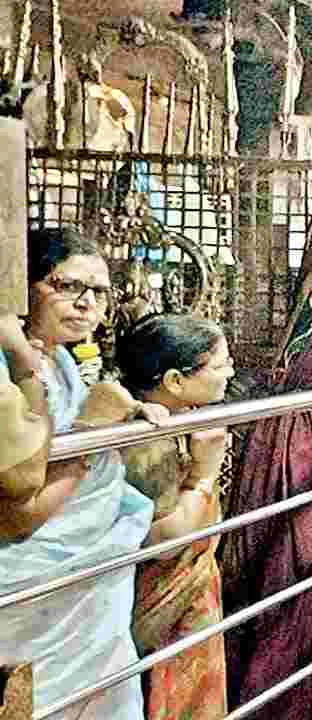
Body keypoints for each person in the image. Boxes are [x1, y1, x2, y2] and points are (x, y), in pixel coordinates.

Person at [0, 226, 154, 719]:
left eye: (100, 293)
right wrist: (94, 429)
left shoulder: (62, 361)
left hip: (87, 577)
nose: (87, 304)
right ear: (25, 288)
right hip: (30, 578)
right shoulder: (8, 366)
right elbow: (19, 517)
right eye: (67, 286)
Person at [100, 314, 233, 720]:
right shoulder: (148, 441)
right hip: (164, 608)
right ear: (175, 380)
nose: (230, 373)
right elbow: (164, 540)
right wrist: (204, 475)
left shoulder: (179, 420)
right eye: (220, 365)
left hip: (191, 593)